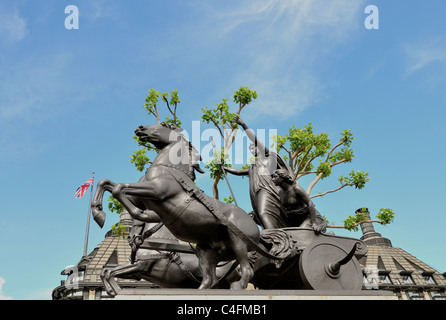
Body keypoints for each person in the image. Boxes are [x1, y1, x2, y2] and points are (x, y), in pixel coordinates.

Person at [222, 116, 293, 229]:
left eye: (253, 147)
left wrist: (243, 125)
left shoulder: (267, 156)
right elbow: (239, 171)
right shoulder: (253, 167)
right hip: (258, 192)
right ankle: (273, 232)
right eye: (250, 149)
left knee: (264, 212)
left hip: (269, 189)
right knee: (262, 214)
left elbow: (254, 138)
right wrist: (224, 167)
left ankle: (273, 235)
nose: (251, 150)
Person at [271, 169, 326, 233]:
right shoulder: (281, 192)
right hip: (296, 221)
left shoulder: (296, 189)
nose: (272, 179)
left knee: (299, 233)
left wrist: (314, 223)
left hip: (310, 218)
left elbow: (310, 203)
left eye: (275, 177)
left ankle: (329, 235)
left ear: (282, 178)